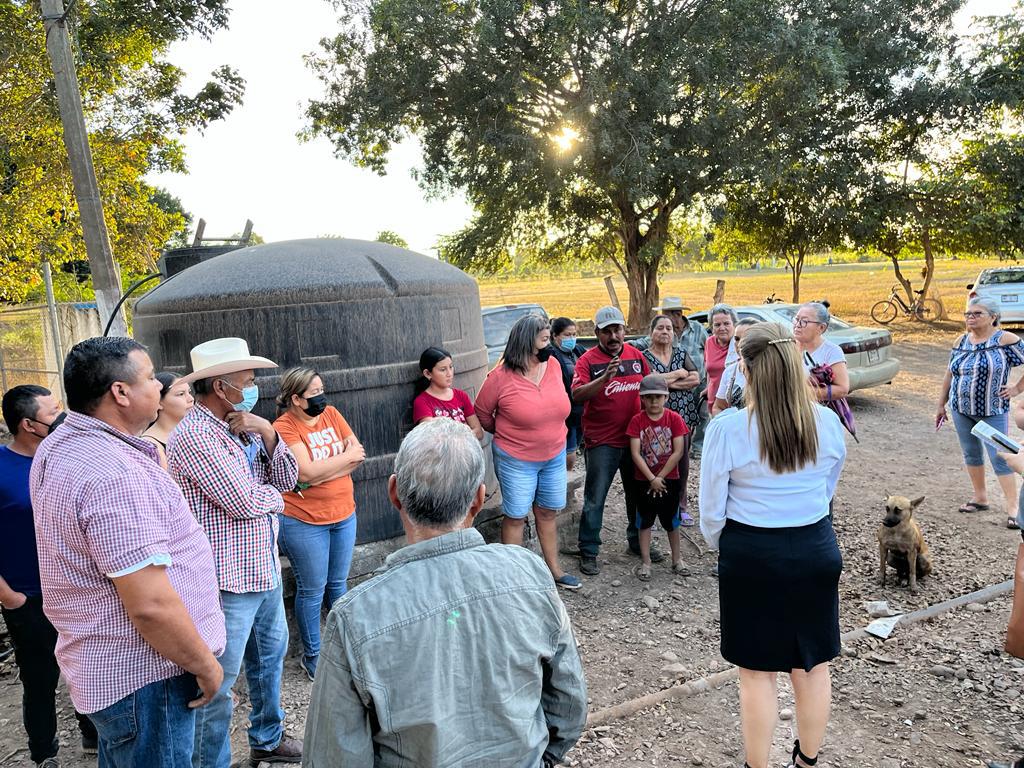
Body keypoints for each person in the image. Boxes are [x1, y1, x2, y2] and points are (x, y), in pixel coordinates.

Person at [303, 418, 587, 767]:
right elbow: (569, 706)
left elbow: (333, 758)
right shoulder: (529, 571)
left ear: (394, 494)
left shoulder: (354, 617)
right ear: (479, 500)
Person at [29, 337, 226, 768]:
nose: (158, 387)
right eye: (151, 377)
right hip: (148, 679)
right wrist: (206, 665)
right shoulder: (114, 474)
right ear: (120, 392)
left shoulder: (62, 445)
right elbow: (150, 605)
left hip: (112, 672)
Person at [699, 322, 846, 768]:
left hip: (752, 551)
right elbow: (827, 488)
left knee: (756, 672)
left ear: (745, 368)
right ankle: (806, 761)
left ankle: (757, 765)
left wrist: (726, 544)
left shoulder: (728, 428)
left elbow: (711, 508)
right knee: (812, 664)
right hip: (813, 545)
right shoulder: (825, 421)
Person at [167, 337, 301, 768]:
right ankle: (211, 762)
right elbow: (243, 501)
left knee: (269, 660)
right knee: (219, 682)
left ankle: (268, 736)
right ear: (219, 386)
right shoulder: (195, 436)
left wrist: (268, 432)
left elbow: (285, 477)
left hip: (261, 568)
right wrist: (278, 501)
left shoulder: (239, 426)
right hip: (225, 579)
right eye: (245, 381)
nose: (252, 387)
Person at [1, 385, 97, 768]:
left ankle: (93, 734)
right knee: (39, 679)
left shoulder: (64, 457)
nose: (63, 416)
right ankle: (45, 754)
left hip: (73, 589)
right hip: (27, 596)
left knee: (85, 668)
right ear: (28, 424)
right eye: (54, 411)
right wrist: (9, 596)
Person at [273, 367, 366, 681]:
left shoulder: (333, 415)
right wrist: (332, 466)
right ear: (297, 399)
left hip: (344, 514)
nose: (321, 397)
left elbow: (358, 454)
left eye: (321, 389)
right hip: (304, 520)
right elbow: (304, 474)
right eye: (314, 393)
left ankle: (346, 648)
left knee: (338, 585)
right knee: (312, 590)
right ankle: (312, 656)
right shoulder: (284, 427)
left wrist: (317, 473)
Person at [475, 314, 580, 589]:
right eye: (545, 340)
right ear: (526, 342)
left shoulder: (554, 365)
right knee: (517, 515)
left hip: (554, 454)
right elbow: (483, 414)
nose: (550, 345)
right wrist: (510, 432)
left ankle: (554, 570)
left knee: (547, 512)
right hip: (516, 459)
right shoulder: (499, 377)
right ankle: (513, 577)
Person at [573, 305, 650, 576]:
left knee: (637, 494)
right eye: (607, 332)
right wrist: (605, 378)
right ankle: (589, 550)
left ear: (624, 330)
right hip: (602, 441)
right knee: (596, 497)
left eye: (617, 330)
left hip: (634, 440)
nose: (613, 336)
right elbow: (578, 395)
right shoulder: (587, 361)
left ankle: (637, 542)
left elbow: (649, 387)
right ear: (597, 333)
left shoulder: (636, 356)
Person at [936, 296, 1024, 528]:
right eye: (968, 314)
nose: (970, 318)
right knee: (971, 454)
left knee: (1001, 456)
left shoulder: (1005, 339)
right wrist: (940, 404)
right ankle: (980, 497)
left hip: (992, 409)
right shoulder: (961, 340)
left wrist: (1015, 389)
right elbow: (949, 374)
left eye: (977, 314)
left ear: (993, 317)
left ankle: (1013, 507)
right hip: (961, 408)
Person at [637, 314, 701, 526]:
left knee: (681, 462)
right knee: (652, 460)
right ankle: (652, 509)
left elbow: (695, 378)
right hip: (653, 419)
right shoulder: (644, 356)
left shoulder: (681, 353)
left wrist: (663, 382)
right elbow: (645, 382)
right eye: (660, 328)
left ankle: (680, 506)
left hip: (682, 416)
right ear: (651, 333)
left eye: (669, 329)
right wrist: (677, 374)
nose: (665, 332)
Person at [626, 374, 689, 581]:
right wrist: (651, 477)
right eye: (649, 397)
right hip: (643, 480)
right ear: (642, 398)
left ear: (666, 397)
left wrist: (659, 477)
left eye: (658, 397)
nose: (654, 401)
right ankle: (646, 561)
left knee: (672, 520)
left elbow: (678, 451)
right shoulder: (637, 420)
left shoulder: (674, 419)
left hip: (669, 479)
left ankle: (677, 559)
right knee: (644, 520)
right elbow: (635, 452)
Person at [412, 346, 484, 439]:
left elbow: (478, 432)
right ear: (427, 374)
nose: (449, 373)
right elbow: (432, 438)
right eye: (443, 369)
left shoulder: (461, 396)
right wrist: (465, 436)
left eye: (451, 367)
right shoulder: (422, 402)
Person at [793, 302, 849, 404]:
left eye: (804, 321)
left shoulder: (832, 351)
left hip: (819, 414)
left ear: (821, 328)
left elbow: (842, 389)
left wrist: (803, 393)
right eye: (796, 319)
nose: (797, 325)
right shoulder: (787, 346)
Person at [549, 317, 584, 470]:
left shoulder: (578, 350)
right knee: (568, 452)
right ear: (555, 336)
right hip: (564, 412)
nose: (571, 339)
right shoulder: (550, 356)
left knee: (575, 445)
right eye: (567, 335)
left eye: (574, 334)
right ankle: (564, 482)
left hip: (581, 409)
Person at [142, 372, 195, 468]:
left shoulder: (194, 430)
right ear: (158, 402)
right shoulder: (152, 446)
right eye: (181, 394)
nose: (191, 399)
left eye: (189, 392)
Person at [712, 318, 758, 416]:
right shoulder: (730, 371)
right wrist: (725, 425)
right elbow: (718, 407)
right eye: (737, 339)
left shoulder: (770, 370)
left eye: (746, 338)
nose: (740, 344)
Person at [705, 304, 738, 407]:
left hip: (732, 405)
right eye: (717, 325)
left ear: (734, 325)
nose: (722, 328)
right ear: (712, 327)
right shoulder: (709, 342)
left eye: (726, 323)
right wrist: (707, 388)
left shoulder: (740, 344)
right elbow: (709, 371)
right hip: (712, 402)